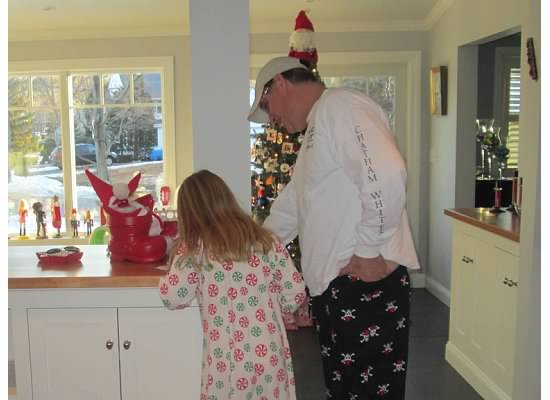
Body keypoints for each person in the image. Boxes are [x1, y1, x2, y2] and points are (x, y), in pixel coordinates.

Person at [248, 56, 420, 400]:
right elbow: (291, 210)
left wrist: (368, 251)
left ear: (279, 83)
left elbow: (387, 174)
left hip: (363, 285)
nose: (271, 119)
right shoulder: (316, 130)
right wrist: (246, 251)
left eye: (266, 107)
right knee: (344, 391)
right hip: (338, 290)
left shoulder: (340, 106)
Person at [159, 169, 306, 400]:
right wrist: (282, 307)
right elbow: (295, 292)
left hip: (227, 361)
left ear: (189, 213)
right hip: (268, 354)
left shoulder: (195, 249)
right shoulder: (266, 241)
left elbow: (172, 297)